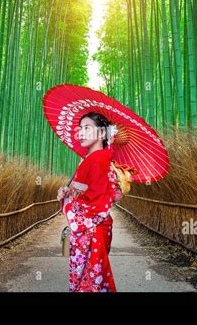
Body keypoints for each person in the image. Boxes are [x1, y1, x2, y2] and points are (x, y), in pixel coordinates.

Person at [57, 112, 118, 292]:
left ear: (101, 134)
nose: (81, 133)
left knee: (90, 283)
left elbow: (96, 203)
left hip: (91, 231)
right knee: (92, 282)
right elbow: (86, 192)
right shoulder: (92, 159)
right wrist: (67, 192)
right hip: (90, 231)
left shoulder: (99, 159)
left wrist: (69, 202)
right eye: (80, 128)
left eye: (87, 128)